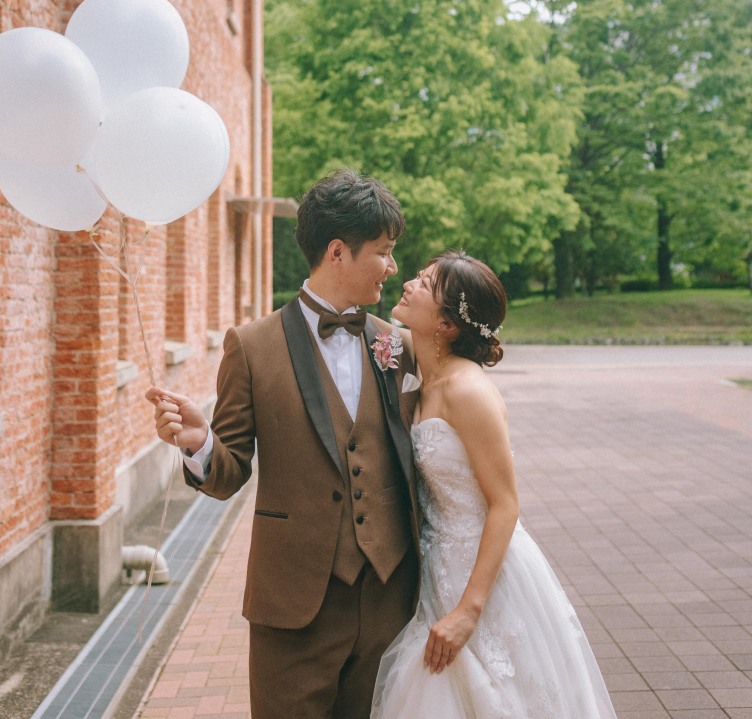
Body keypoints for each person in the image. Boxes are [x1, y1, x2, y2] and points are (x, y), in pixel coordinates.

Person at [146, 168, 421, 719]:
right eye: (384, 252)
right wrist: (200, 442)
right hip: (294, 607)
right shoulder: (250, 347)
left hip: (389, 600)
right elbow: (228, 475)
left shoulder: (398, 346)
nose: (392, 267)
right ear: (338, 252)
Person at [371, 251, 617, 719]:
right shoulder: (423, 370)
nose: (407, 284)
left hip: (484, 575)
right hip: (435, 567)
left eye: (423, 284)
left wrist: (468, 611)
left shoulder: (469, 392)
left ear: (446, 324)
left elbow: (505, 505)